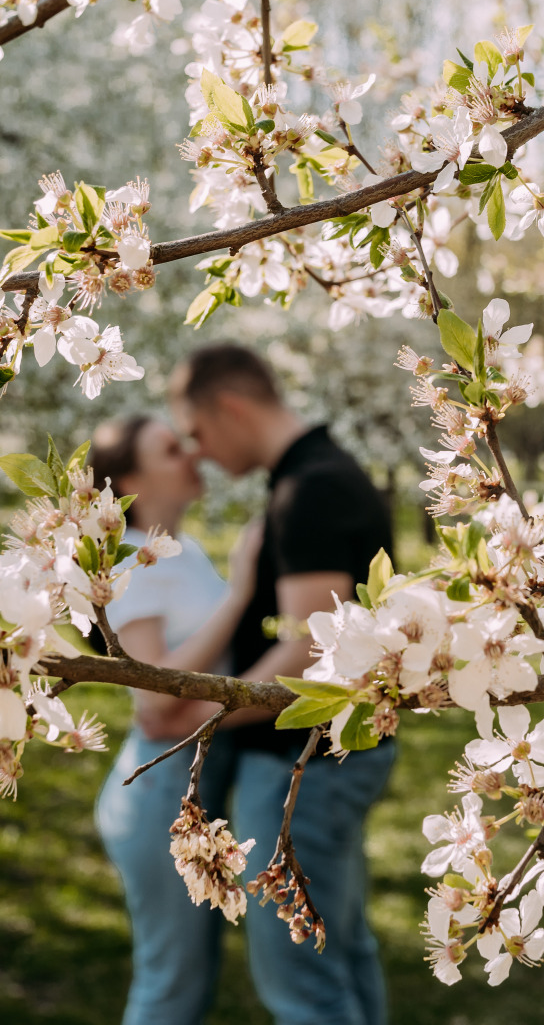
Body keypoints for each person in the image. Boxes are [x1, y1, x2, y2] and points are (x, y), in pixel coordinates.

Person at [169, 343, 398, 1025]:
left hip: (304, 770)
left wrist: (201, 718)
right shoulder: (315, 475)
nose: (199, 453)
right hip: (331, 759)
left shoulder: (311, 489)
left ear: (231, 406)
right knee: (343, 954)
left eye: (198, 432)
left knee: (302, 985)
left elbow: (306, 652)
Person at [90, 414, 260, 1025]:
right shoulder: (131, 560)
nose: (192, 452)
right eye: (170, 448)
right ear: (131, 478)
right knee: (171, 987)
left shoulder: (177, 551)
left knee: (187, 981)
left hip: (184, 789)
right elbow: (155, 698)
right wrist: (241, 592)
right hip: (159, 792)